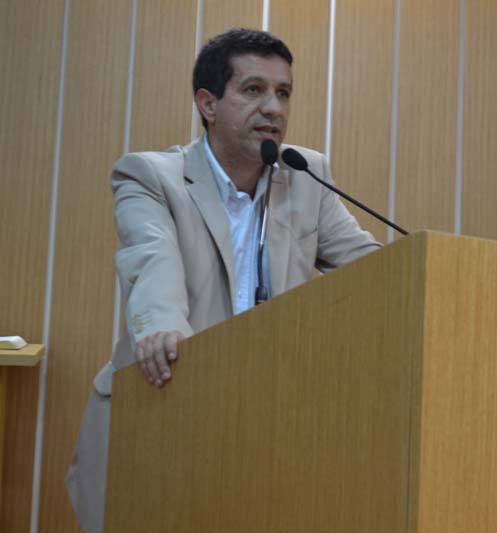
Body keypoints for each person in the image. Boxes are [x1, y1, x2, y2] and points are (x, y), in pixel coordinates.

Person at [65, 28, 381, 533]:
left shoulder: (305, 176)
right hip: (162, 404)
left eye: (283, 93)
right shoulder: (151, 176)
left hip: (264, 422)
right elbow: (151, 260)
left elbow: (372, 269)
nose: (273, 108)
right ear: (208, 104)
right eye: (254, 90)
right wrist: (162, 327)